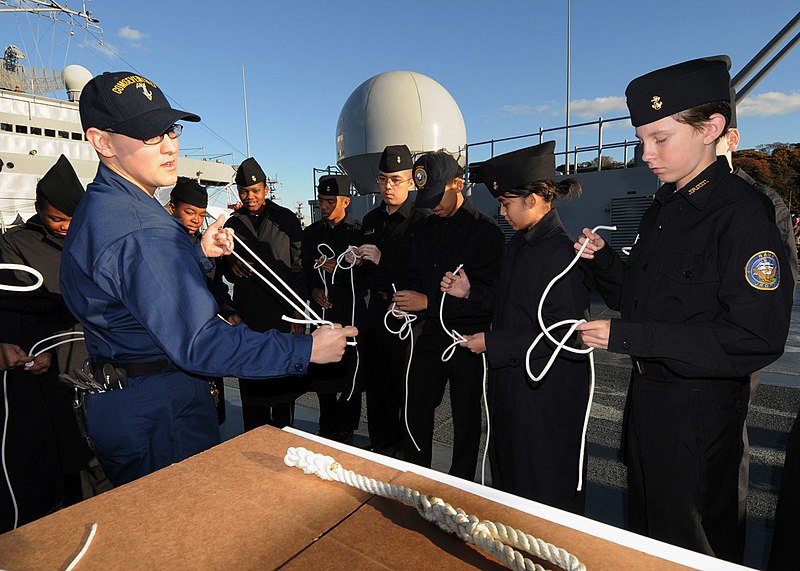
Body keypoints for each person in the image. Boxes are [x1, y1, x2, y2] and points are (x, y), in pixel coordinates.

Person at [60, 71, 355, 486]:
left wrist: (196, 254)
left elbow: (129, 297)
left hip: (129, 399)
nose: (169, 146)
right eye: (148, 135)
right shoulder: (142, 230)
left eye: (169, 129)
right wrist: (306, 348)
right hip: (161, 413)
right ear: (102, 141)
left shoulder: (102, 209)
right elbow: (199, 342)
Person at [575, 56, 793, 563]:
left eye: (660, 138)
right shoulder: (665, 207)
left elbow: (755, 338)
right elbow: (641, 299)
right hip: (649, 404)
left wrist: (629, 338)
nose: (645, 154)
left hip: (700, 419)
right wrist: (603, 262)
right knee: (648, 540)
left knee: (693, 548)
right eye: (641, 139)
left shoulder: (742, 214)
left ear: (711, 129)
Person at [440, 141, 590, 513]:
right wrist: (471, 292)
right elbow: (513, 304)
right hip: (514, 391)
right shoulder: (521, 245)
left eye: (506, 204)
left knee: (540, 495)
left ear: (535, 199)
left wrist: (492, 343)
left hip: (544, 401)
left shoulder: (561, 254)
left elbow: (562, 333)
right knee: (510, 488)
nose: (502, 213)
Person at [714, 85, 799, 541]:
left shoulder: (764, 204)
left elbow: (776, 287)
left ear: (732, 140)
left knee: (728, 455)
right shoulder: (669, 201)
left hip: (731, 352)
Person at [0, 155, 98, 516]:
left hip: (98, 359)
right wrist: (37, 351)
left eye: (71, 219)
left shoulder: (91, 238)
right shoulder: (17, 244)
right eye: (55, 218)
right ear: (39, 209)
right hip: (55, 363)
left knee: (103, 457)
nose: (64, 227)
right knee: (67, 461)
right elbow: (17, 306)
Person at [398, 151, 503, 480]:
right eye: (425, 199)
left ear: (458, 184)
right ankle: (416, 479)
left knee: (465, 417)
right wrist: (403, 301)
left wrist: (427, 302)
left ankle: (461, 486)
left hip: (468, 340)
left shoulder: (486, 234)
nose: (432, 206)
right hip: (430, 335)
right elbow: (413, 273)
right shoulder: (424, 229)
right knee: (417, 405)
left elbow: (490, 299)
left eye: (436, 197)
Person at [220, 157, 306, 431]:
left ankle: (284, 438)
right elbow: (223, 269)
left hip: (283, 311)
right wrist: (230, 263)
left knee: (283, 385)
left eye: (255, 191)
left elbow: (299, 267)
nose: (250, 197)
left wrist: (298, 312)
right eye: (244, 191)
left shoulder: (287, 220)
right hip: (250, 316)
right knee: (253, 388)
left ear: (265, 189)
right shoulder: (233, 223)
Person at [353, 144, 429, 455]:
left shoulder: (421, 222)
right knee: (377, 385)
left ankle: (405, 450)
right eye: (384, 179)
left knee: (404, 387)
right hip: (376, 311)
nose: (388, 187)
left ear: (411, 182)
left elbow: (422, 272)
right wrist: (357, 259)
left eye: (396, 180)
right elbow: (366, 274)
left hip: (406, 317)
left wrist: (384, 260)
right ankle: (380, 444)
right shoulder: (371, 219)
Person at [167, 176, 235, 424]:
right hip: (179, 338)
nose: (196, 219)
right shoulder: (161, 242)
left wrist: (227, 310)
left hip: (206, 330)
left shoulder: (201, 241)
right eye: (189, 212)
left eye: (201, 214)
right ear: (172, 208)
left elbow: (215, 285)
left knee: (210, 412)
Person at [302, 174, 365, 443]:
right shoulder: (311, 234)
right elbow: (303, 271)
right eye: (321, 200)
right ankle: (327, 424)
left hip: (350, 312)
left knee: (352, 372)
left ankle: (347, 426)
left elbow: (366, 276)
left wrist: (340, 268)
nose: (324, 206)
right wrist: (313, 291)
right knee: (323, 371)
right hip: (322, 314)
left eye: (330, 201)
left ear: (346, 201)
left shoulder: (358, 233)